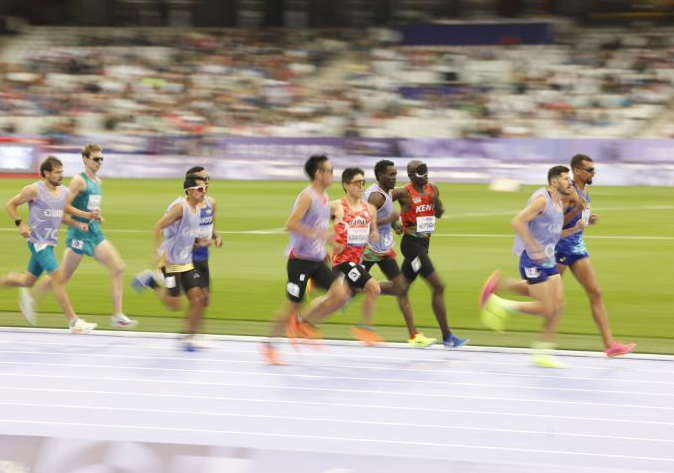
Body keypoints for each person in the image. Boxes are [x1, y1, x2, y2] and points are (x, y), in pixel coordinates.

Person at [19, 143, 137, 329]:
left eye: (101, 159)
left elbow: (90, 207)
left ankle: (117, 315)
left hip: (95, 233)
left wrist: (96, 216)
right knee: (62, 277)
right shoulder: (78, 181)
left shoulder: (98, 182)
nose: (99, 162)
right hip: (78, 235)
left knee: (118, 267)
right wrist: (85, 216)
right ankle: (31, 298)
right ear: (85, 159)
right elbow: (63, 206)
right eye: (96, 159)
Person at [479, 165, 585, 368]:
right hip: (532, 260)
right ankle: (500, 304)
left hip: (548, 260)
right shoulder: (542, 201)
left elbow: (553, 235)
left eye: (569, 178)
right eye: (565, 178)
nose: (570, 181)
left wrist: (574, 229)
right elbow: (517, 221)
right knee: (546, 307)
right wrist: (534, 248)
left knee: (558, 306)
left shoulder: (558, 204)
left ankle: (543, 352)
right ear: (554, 182)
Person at [262, 154, 350, 365]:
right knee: (293, 304)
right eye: (329, 170)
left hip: (317, 259)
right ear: (318, 173)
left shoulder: (325, 197)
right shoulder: (307, 196)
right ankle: (269, 346)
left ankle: (303, 323)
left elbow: (320, 228)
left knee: (341, 294)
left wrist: (330, 243)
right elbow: (290, 224)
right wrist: (322, 236)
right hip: (299, 260)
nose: (332, 174)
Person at [0, 156, 98, 334]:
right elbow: (10, 205)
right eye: (57, 172)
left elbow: (64, 213)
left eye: (62, 172)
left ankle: (22, 295)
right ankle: (74, 322)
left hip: (50, 244)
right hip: (38, 242)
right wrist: (20, 224)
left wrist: (83, 219)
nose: (61, 175)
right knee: (58, 277)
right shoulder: (34, 190)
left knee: (27, 281)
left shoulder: (63, 192)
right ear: (46, 173)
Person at [555, 154, 635, 357]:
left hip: (577, 247)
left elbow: (576, 218)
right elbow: (556, 222)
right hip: (561, 248)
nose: (593, 172)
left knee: (595, 292)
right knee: (545, 296)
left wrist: (587, 220)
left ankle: (610, 345)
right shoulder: (568, 191)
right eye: (589, 169)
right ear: (577, 171)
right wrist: (577, 215)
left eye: (593, 169)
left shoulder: (585, 189)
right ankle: (501, 293)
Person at [393, 160, 468, 348]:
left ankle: (358, 287)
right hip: (411, 245)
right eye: (419, 172)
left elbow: (440, 213)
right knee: (439, 286)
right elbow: (381, 200)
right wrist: (394, 223)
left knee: (400, 287)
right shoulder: (403, 192)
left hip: (424, 244)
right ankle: (448, 337)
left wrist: (436, 202)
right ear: (410, 176)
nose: (424, 174)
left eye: (425, 170)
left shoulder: (433, 189)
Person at [362, 160, 436, 347]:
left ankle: (414, 335)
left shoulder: (385, 193)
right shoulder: (376, 197)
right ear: (380, 176)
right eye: (391, 175)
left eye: (396, 174)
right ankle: (323, 285)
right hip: (368, 250)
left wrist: (394, 224)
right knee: (344, 290)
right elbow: (364, 223)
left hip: (384, 249)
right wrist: (392, 218)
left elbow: (387, 212)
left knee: (400, 288)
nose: (395, 178)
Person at [131, 175, 209, 351]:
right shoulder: (179, 208)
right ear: (188, 190)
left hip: (186, 261)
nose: (203, 191)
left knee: (199, 299)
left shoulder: (197, 209)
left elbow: (187, 233)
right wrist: (156, 254)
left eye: (204, 188)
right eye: (199, 189)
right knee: (174, 305)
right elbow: (157, 227)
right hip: (170, 262)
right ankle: (151, 281)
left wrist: (199, 241)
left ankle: (188, 338)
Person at [327, 167, 382, 346]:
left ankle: (302, 319)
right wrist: (328, 242)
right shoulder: (335, 206)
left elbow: (372, 228)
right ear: (346, 185)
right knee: (373, 288)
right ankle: (364, 328)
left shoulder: (370, 209)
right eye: (357, 183)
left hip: (356, 262)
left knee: (333, 299)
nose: (361, 186)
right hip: (342, 261)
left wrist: (374, 233)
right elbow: (316, 223)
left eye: (363, 182)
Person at [185, 166, 222, 310]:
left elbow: (211, 228)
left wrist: (217, 237)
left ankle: (191, 330)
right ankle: (191, 331)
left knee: (205, 301)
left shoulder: (211, 202)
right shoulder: (185, 206)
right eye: (202, 179)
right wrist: (194, 242)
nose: (207, 182)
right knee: (197, 299)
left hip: (203, 256)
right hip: (187, 257)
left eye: (207, 178)